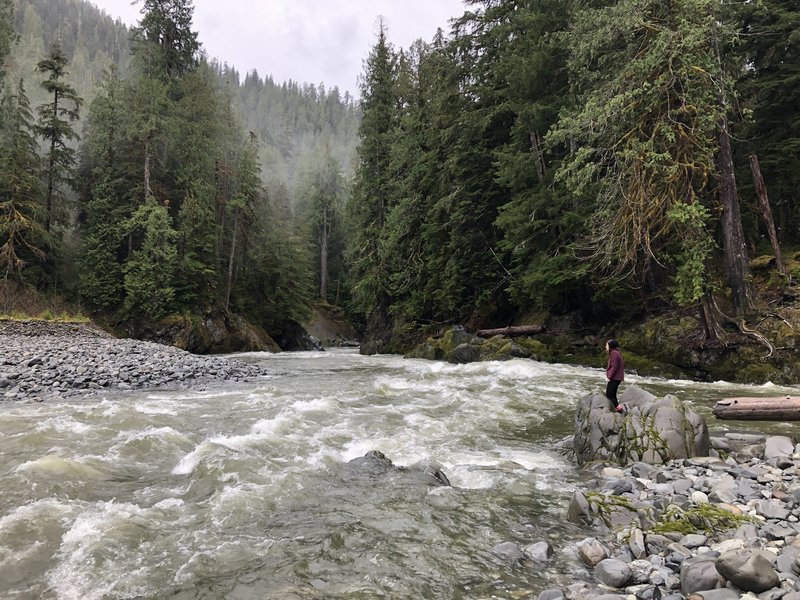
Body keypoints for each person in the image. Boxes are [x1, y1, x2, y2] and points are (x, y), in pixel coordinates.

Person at [605, 339, 625, 413]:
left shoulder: (614, 353)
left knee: (609, 394)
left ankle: (620, 410)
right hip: (616, 377)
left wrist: (609, 377)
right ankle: (617, 409)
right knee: (612, 394)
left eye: (606, 345)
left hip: (615, 378)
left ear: (611, 346)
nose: (605, 347)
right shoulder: (614, 352)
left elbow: (614, 366)